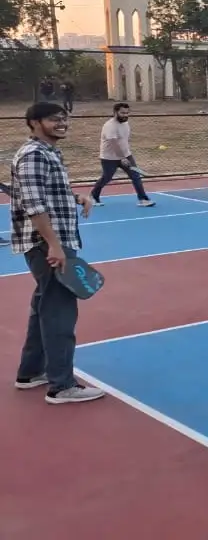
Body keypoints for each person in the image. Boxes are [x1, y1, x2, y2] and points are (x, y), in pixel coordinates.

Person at [11, 102, 104, 404]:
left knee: (44, 305)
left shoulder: (50, 153)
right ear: (34, 122)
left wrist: (78, 197)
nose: (62, 123)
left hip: (53, 241)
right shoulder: (34, 155)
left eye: (65, 118)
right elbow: (34, 205)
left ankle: (30, 372)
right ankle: (61, 385)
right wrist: (53, 245)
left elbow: (49, 193)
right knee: (60, 313)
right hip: (47, 244)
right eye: (54, 119)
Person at [90, 102, 154, 207]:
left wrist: (126, 154)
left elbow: (124, 139)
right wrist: (122, 158)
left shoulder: (125, 123)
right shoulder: (109, 126)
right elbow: (113, 143)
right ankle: (93, 196)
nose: (125, 115)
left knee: (135, 176)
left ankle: (143, 199)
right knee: (107, 178)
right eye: (122, 113)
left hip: (126, 155)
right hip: (109, 158)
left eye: (127, 113)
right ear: (115, 112)